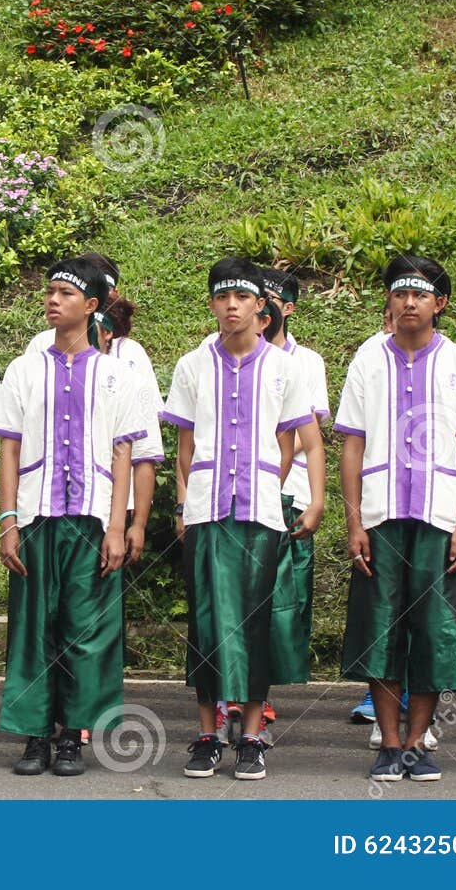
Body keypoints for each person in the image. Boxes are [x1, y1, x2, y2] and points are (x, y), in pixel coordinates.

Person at [335, 256, 456, 783]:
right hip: (381, 514)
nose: (408, 303)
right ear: (389, 301)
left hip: (438, 516)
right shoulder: (367, 359)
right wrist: (354, 520)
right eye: (400, 293)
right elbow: (352, 445)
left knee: (434, 631)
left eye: (420, 295)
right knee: (379, 626)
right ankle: (388, 741)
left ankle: (419, 743)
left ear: (438, 304)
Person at [163, 258, 322, 781]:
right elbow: (183, 445)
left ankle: (251, 734)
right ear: (212, 304)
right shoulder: (192, 365)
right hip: (208, 509)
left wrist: (311, 497)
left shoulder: (286, 368)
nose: (231, 306)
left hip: (260, 513)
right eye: (222, 297)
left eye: (242, 297)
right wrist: (187, 500)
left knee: (255, 621)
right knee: (206, 621)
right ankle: (208, 734)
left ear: (262, 306)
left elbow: (302, 437)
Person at [0, 258, 148, 778]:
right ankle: (36, 734)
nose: (53, 300)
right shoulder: (23, 368)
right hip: (37, 515)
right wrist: (8, 520)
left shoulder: (115, 373)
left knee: (85, 628)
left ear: (91, 306)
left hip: (90, 519)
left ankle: (72, 738)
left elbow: (123, 453)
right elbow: (8, 451)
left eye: (65, 293)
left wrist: (117, 525)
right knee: (34, 626)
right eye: (50, 291)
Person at [258, 268, 328, 723]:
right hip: (238, 491)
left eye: (270, 298)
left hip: (291, 489)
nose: (260, 305)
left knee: (286, 597)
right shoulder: (221, 353)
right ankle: (241, 692)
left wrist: (265, 457)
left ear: (287, 308)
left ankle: (263, 688)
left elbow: (308, 432)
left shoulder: (308, 362)